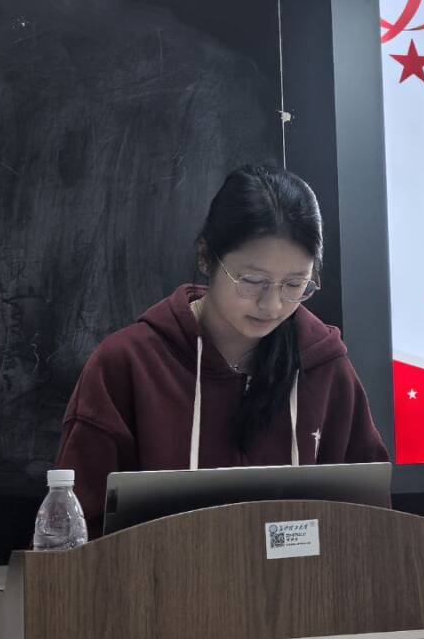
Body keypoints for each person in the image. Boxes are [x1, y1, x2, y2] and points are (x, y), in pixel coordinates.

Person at [55, 164, 388, 534]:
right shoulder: (127, 365)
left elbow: (371, 523)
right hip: (160, 572)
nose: (272, 305)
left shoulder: (324, 367)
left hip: (302, 574)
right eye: (253, 281)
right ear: (205, 257)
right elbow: (78, 530)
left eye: (295, 285)